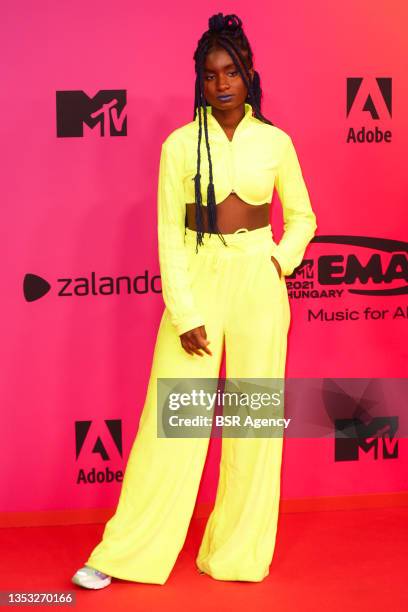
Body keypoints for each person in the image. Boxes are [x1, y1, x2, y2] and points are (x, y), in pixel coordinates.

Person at [72, 12, 317, 589]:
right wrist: (184, 311)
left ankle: (237, 555)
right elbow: (169, 234)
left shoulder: (275, 142)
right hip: (200, 281)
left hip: (259, 282)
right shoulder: (180, 146)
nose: (222, 83)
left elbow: (303, 217)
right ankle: (125, 554)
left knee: (254, 426)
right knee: (171, 426)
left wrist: (277, 261)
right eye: (210, 75)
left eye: (231, 71)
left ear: (249, 74)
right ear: (199, 82)